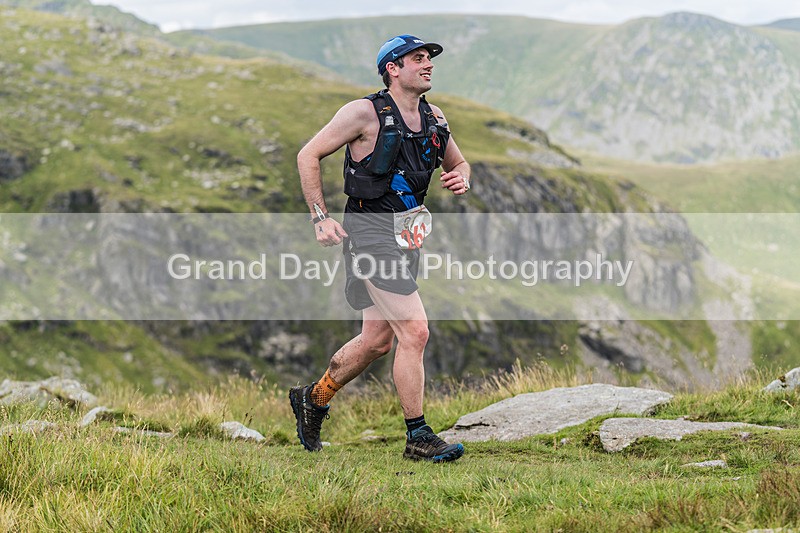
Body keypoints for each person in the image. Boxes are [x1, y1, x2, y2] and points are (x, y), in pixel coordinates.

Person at [290, 35, 471, 463]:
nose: (427, 65)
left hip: (409, 235)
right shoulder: (362, 113)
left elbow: (458, 163)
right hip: (369, 233)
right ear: (392, 68)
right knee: (416, 331)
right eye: (418, 59)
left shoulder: (435, 117)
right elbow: (307, 154)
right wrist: (320, 216)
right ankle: (419, 437)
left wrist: (463, 177)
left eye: (429, 59)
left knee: (376, 340)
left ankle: (313, 399)